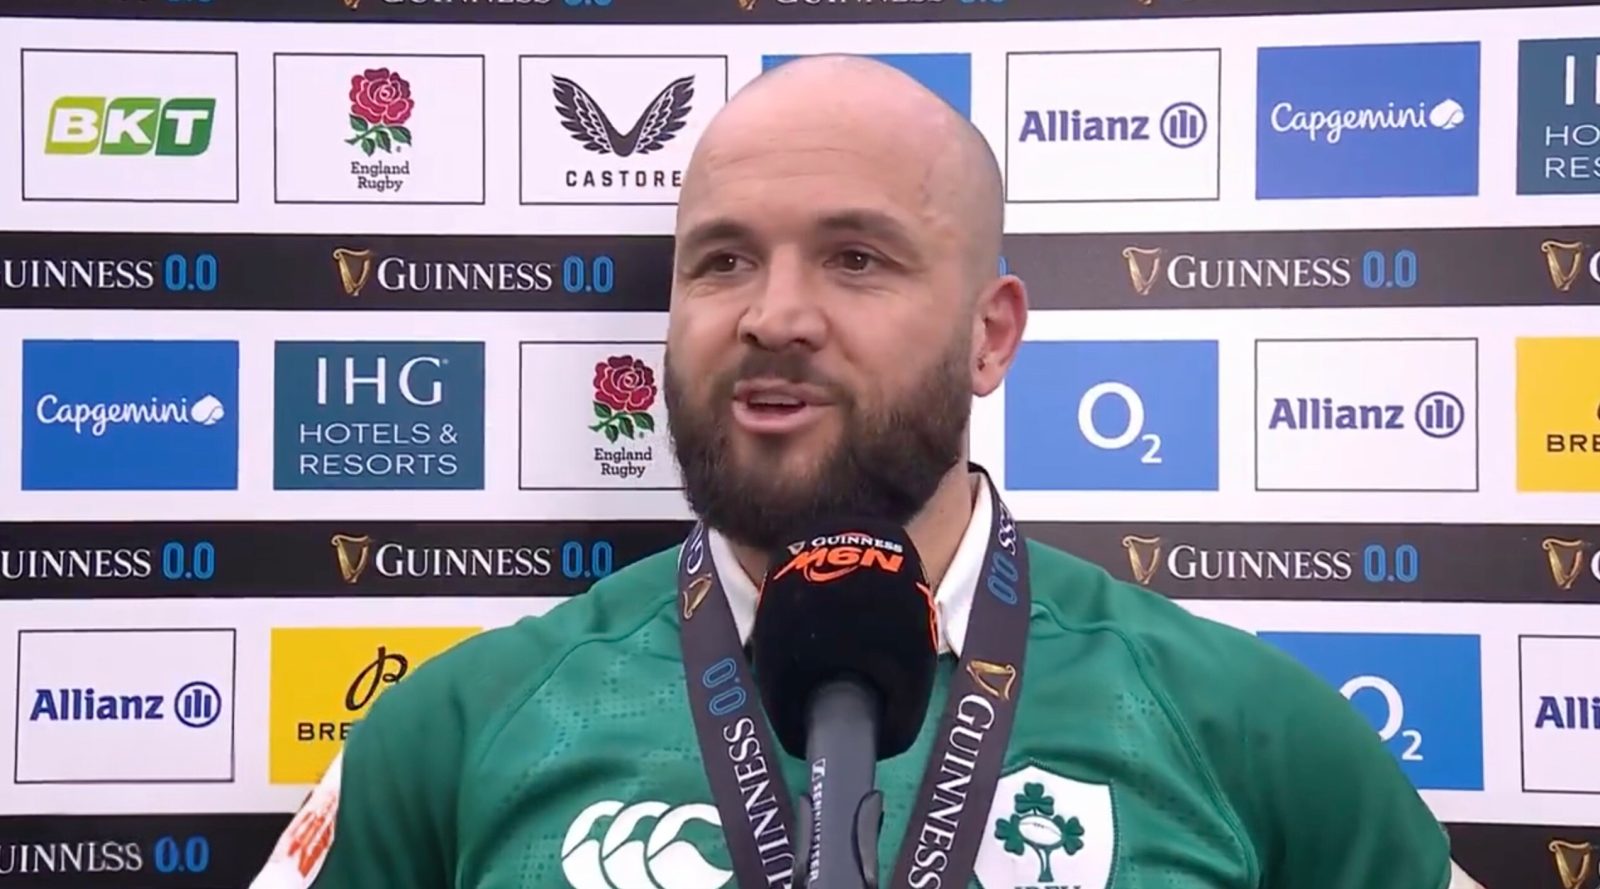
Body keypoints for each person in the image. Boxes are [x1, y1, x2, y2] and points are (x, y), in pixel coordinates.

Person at [250, 54, 1485, 889]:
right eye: (722, 261)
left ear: (989, 336)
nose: (773, 316)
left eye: (855, 258)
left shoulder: (1246, 728)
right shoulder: (455, 732)